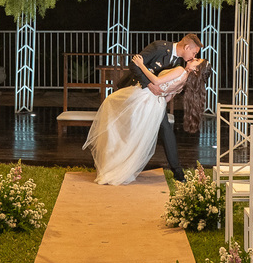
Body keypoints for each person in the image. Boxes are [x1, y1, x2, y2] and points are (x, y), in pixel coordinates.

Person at [85, 51, 210, 185]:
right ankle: (120, 168)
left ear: (196, 70)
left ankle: (114, 166)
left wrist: (141, 65)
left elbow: (156, 81)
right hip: (157, 105)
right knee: (134, 136)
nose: (194, 58)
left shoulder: (180, 70)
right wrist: (157, 103)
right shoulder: (185, 82)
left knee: (113, 109)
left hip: (146, 98)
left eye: (197, 61)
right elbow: (168, 97)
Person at [118, 34, 202, 181]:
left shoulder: (181, 63)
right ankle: (122, 165)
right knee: (130, 130)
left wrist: (162, 97)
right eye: (194, 53)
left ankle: (177, 171)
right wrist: (150, 85)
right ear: (187, 47)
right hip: (136, 92)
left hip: (154, 100)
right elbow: (134, 64)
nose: (194, 56)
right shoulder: (159, 47)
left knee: (165, 129)